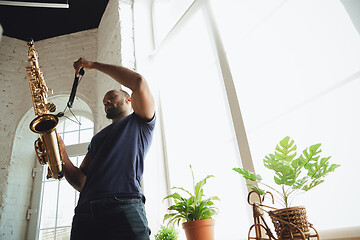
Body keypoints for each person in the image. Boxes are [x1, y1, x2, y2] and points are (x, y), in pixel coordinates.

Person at [58, 58, 156, 240]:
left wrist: (93, 65)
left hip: (124, 204)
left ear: (129, 100)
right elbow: (81, 182)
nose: (107, 102)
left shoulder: (141, 121)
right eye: (104, 101)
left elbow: (138, 82)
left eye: (112, 97)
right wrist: (61, 152)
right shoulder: (97, 138)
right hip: (85, 211)